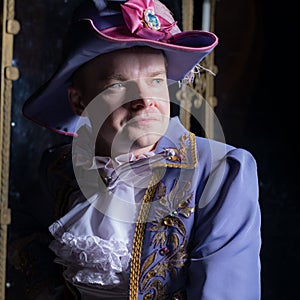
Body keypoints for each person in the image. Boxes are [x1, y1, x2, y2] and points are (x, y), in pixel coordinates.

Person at [10, 0, 261, 299]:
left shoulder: (221, 172)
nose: (144, 100)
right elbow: (28, 236)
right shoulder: (59, 168)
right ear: (79, 101)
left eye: (155, 80)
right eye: (118, 85)